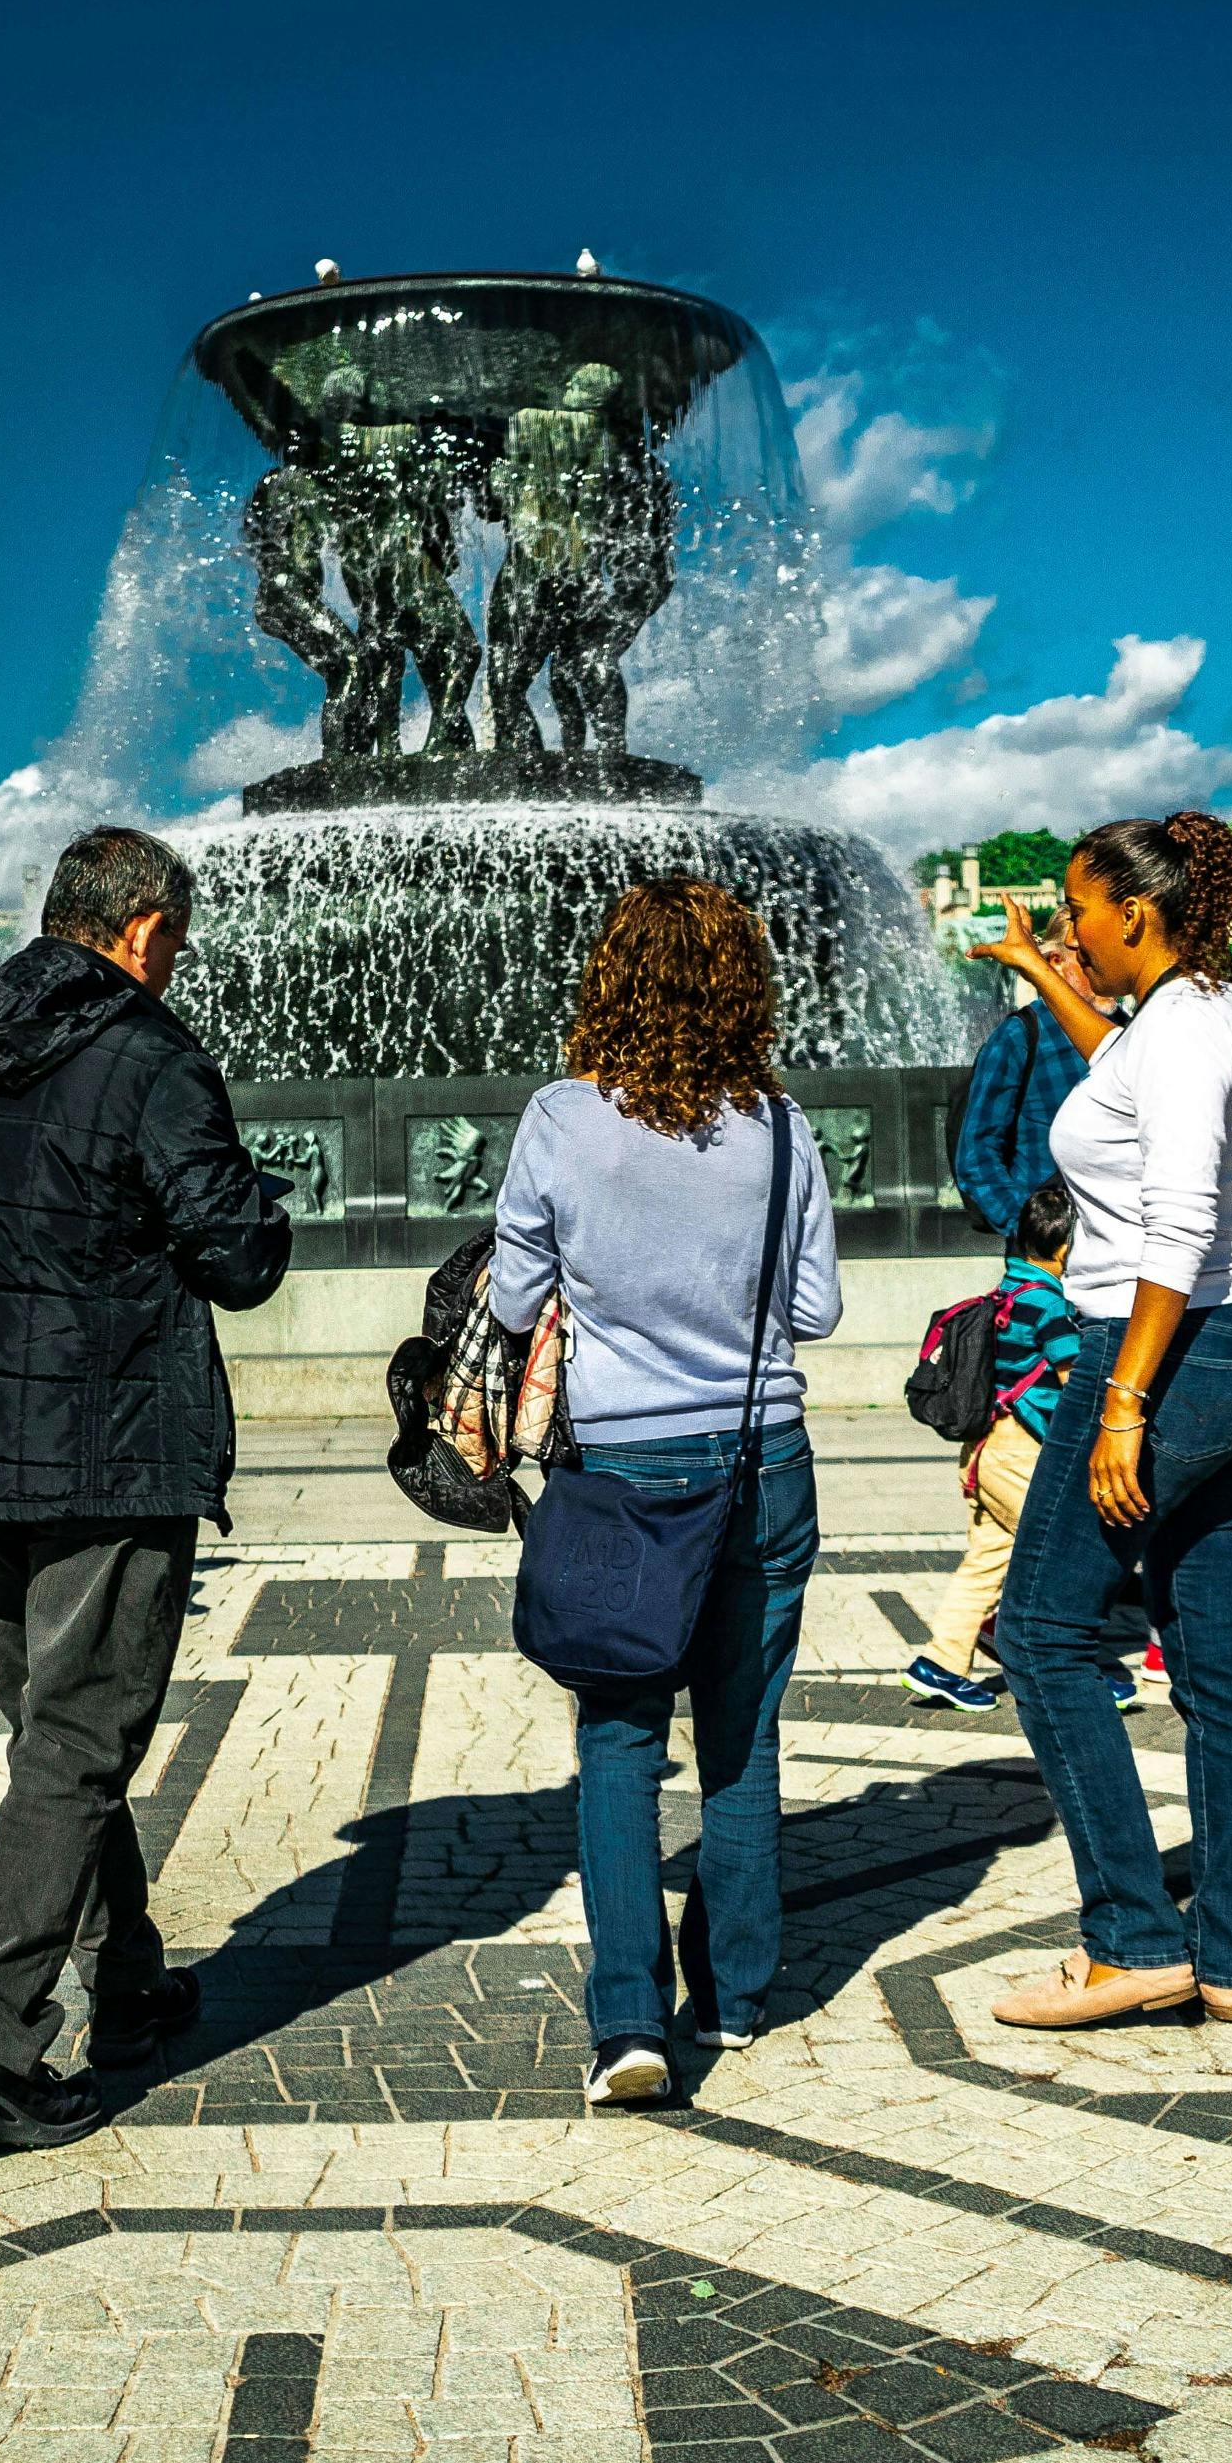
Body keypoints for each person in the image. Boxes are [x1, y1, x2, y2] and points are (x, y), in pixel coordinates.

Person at [0, 825, 290, 2150]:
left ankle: (126, 1978)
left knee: (55, 1737)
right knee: (77, 1742)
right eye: (179, 944)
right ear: (146, 930)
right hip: (104, 1442)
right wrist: (259, 1205)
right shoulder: (151, 1058)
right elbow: (236, 1258)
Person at [492, 877, 846, 2105]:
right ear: (744, 986)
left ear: (611, 979)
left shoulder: (560, 1117)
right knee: (741, 1734)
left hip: (624, 1467)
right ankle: (737, 1995)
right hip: (762, 1457)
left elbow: (511, 1296)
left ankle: (630, 2024)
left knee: (618, 1740)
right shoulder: (781, 1126)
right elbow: (814, 1310)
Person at [970, 813, 1232, 2029]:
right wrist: (1038, 974)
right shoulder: (1216, 1012)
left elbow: (1178, 1223)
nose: (1068, 927)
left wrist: (1120, 1407)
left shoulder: (1182, 1035)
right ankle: (1228, 1959)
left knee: (1040, 1633)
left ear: (1134, 912)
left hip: (1167, 1357)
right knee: (1217, 1667)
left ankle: (1130, 1940)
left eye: (1075, 910)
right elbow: (1123, 1075)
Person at [906, 1180, 1078, 1714]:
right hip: (1020, 1451)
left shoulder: (1007, 1292)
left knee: (987, 1560)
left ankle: (941, 1663)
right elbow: (1074, 1382)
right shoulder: (1048, 1305)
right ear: (1066, 1248)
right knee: (1063, 1553)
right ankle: (1077, 1669)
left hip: (985, 1447)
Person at [953, 992, 1089, 1243]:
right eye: (1085, 969)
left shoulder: (1128, 1030)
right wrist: (1030, 1233)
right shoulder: (1020, 1034)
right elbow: (976, 1155)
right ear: (1057, 969)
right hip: (1051, 1251)